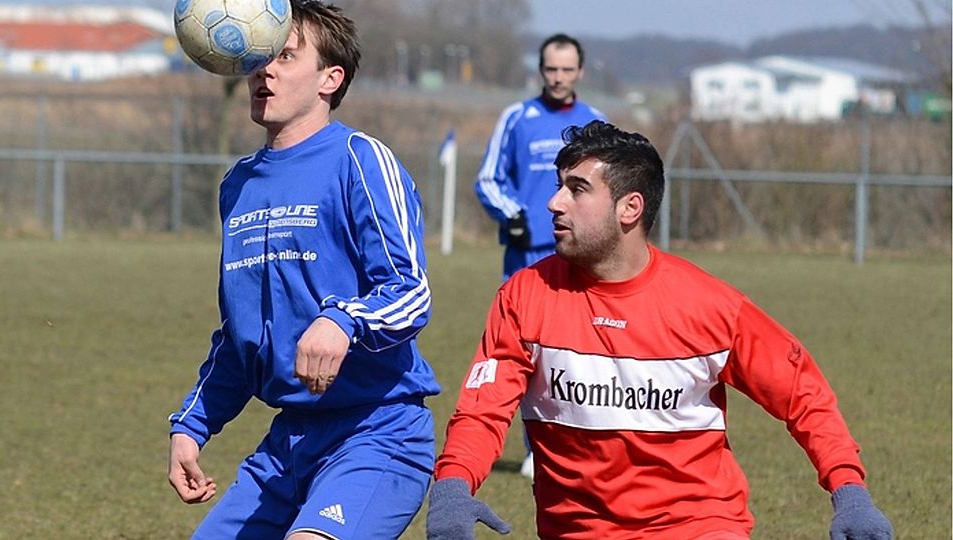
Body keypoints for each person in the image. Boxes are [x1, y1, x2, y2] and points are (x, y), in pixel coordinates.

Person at [426, 121, 893, 540]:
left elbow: (803, 395)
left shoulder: (711, 307)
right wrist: (452, 487)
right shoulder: (524, 297)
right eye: (559, 185)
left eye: (577, 189)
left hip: (699, 525)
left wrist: (849, 490)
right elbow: (482, 413)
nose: (554, 202)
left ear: (630, 208)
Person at [167, 2, 439, 539]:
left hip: (376, 434)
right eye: (261, 56)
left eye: (285, 56)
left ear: (329, 79)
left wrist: (343, 320)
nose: (263, 69)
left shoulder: (360, 159)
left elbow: (410, 293)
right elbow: (239, 338)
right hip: (287, 445)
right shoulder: (238, 185)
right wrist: (191, 426)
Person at [474, 33, 606, 476]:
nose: (558, 77)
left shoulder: (596, 123)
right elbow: (488, 179)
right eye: (551, 69)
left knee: (582, 349)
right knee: (528, 351)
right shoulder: (517, 118)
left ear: (580, 71)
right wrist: (513, 214)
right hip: (527, 254)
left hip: (580, 254)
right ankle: (537, 447)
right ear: (541, 70)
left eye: (567, 69)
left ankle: (587, 442)